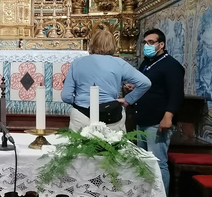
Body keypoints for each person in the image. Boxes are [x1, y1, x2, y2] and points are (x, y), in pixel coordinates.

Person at [124, 28, 184, 195]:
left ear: (161, 44)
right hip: (142, 118)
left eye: (151, 42)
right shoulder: (146, 63)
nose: (147, 45)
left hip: (157, 121)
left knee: (157, 163)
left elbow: (176, 94)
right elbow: (149, 86)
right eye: (145, 42)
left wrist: (168, 116)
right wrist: (133, 87)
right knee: (143, 162)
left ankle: (161, 193)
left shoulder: (171, 65)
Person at [61, 29, 151, 131]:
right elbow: (145, 83)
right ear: (113, 44)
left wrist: (79, 101)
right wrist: (128, 99)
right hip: (111, 114)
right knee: (113, 146)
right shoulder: (119, 63)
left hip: (82, 114)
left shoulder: (77, 62)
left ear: (92, 43)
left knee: (80, 146)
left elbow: (66, 96)